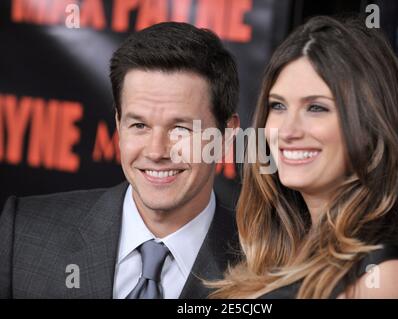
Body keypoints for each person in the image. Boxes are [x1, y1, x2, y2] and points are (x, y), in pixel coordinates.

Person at [209, 16, 398, 299]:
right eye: (278, 106)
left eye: (316, 108)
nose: (288, 131)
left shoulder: (382, 276)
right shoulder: (280, 247)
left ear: (371, 125)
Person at [0, 22, 240, 299]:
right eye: (139, 125)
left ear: (226, 136)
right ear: (118, 123)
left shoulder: (271, 266)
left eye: (181, 129)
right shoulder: (24, 234)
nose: (156, 151)